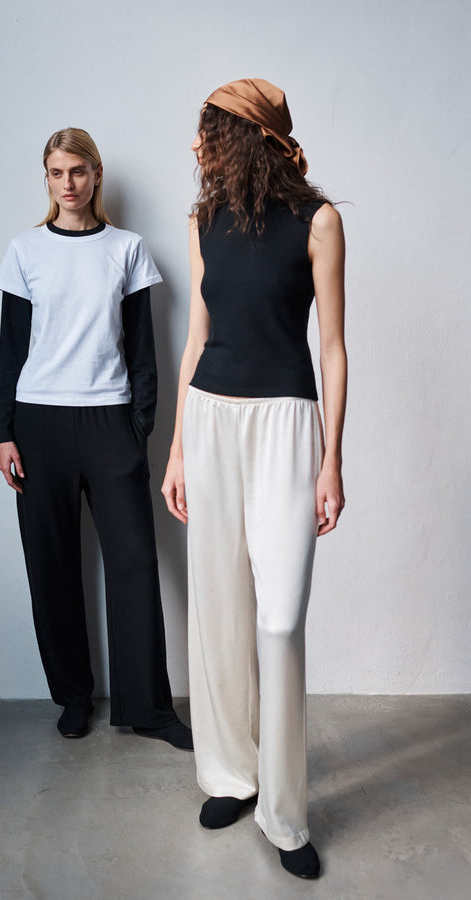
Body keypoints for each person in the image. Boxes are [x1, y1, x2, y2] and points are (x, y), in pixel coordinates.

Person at [162, 79, 347, 878]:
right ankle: (231, 775)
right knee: (221, 607)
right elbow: (197, 336)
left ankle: (285, 813)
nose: (195, 147)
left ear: (241, 136)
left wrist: (333, 458)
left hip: (284, 426)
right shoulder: (203, 222)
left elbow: (333, 347)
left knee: (279, 620)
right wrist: (175, 449)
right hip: (209, 422)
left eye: (205, 132)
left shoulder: (320, 221)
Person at [0, 127, 192, 751]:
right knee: (51, 568)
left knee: (134, 565)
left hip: (110, 422)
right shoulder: (24, 251)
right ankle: (74, 699)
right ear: (47, 180)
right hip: (39, 423)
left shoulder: (127, 250)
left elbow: (144, 351)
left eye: (78, 170)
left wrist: (139, 429)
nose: (69, 183)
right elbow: (10, 350)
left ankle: (149, 710)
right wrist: (3, 432)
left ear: (96, 175)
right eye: (57, 173)